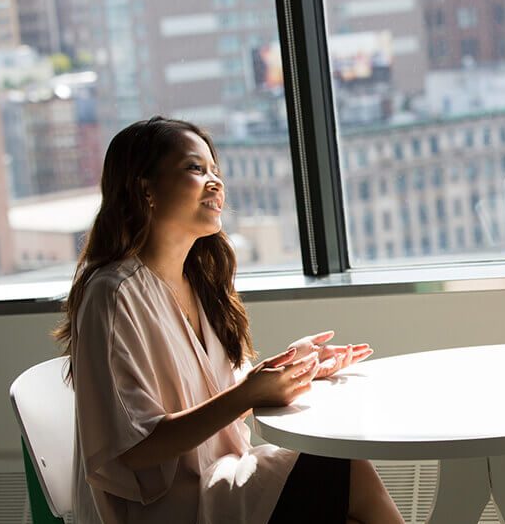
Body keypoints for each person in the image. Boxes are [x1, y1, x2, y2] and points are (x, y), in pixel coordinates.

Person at [53, 116, 405, 524]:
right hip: (163, 509)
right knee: (346, 468)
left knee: (345, 493)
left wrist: (291, 369)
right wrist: (248, 395)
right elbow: (132, 447)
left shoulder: (199, 284)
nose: (215, 182)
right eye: (195, 168)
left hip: (218, 480)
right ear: (144, 188)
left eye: (215, 170)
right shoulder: (113, 294)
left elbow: (215, 402)